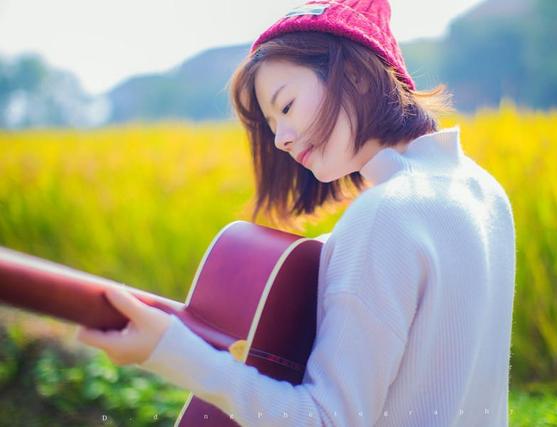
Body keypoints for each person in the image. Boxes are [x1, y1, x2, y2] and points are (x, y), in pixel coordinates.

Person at [75, 0, 516, 425]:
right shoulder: (483, 193)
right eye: (272, 127)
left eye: (285, 106)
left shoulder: (387, 214)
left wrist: (169, 351)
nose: (281, 140)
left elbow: (324, 420)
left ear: (358, 77)